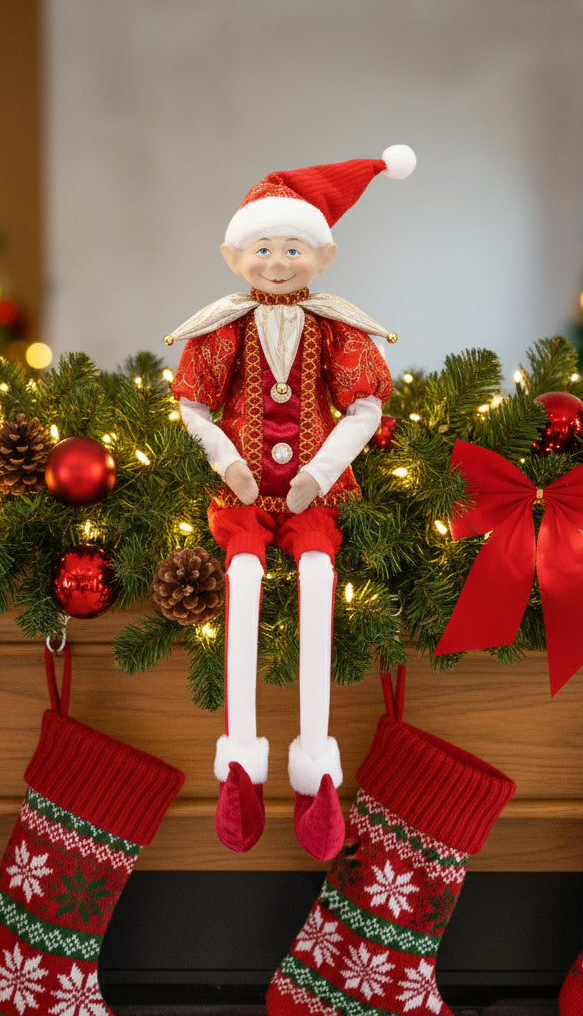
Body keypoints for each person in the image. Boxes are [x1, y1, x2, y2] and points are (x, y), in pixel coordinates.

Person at [166, 145, 415, 860]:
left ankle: (315, 765)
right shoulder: (222, 327)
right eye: (264, 248)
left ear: (323, 257)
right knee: (242, 578)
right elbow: (193, 406)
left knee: (316, 577)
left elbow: (364, 407)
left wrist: (322, 471)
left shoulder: (336, 328)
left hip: (314, 495)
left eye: (293, 248)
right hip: (242, 495)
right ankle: (240, 764)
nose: (277, 262)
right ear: (234, 256)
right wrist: (227, 461)